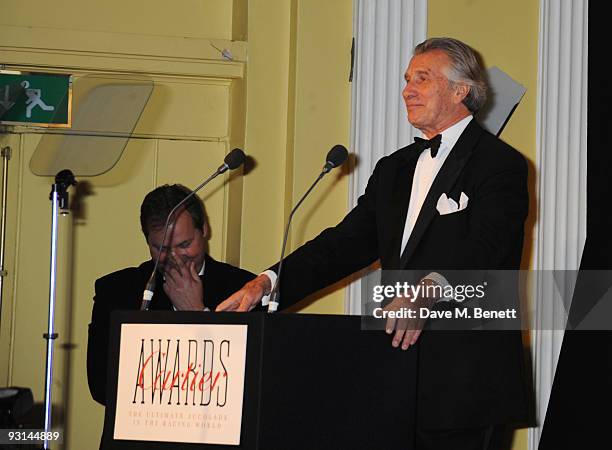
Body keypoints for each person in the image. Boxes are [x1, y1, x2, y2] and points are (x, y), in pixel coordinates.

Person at [217, 37, 529, 449]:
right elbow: (343, 244)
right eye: (406, 79)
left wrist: (426, 293)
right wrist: (270, 281)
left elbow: (488, 250)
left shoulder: (500, 163)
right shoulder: (393, 170)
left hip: (465, 383)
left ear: (460, 90)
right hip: (393, 377)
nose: (407, 90)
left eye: (422, 78)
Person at [87, 184, 255, 405]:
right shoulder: (116, 291)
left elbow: (248, 386)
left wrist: (196, 314)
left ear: (204, 229)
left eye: (184, 244)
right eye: (161, 249)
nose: (175, 258)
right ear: (147, 241)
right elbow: (102, 387)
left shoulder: (244, 289)